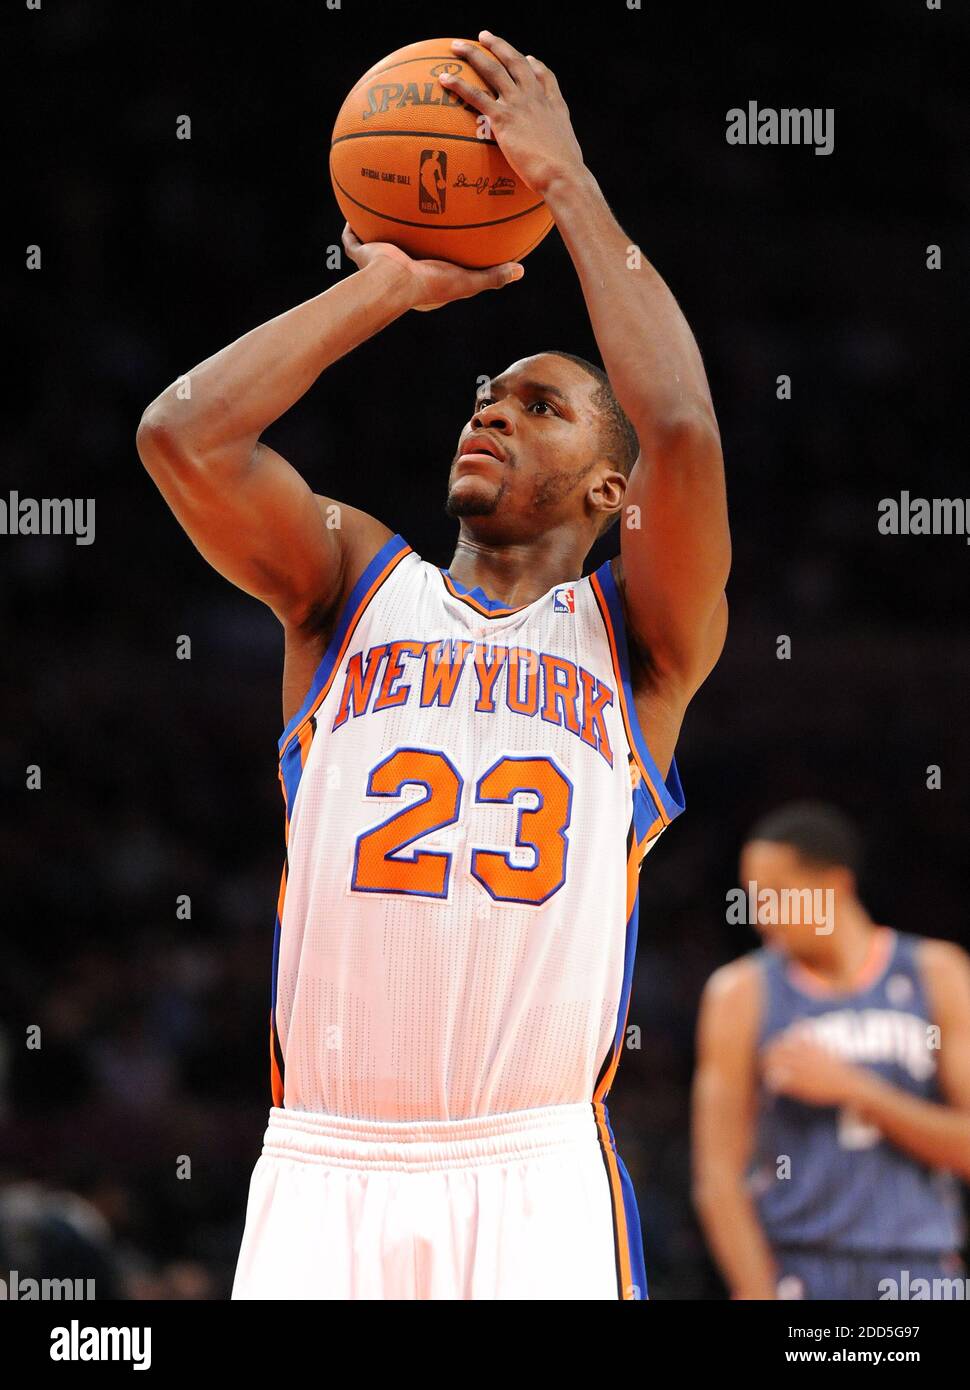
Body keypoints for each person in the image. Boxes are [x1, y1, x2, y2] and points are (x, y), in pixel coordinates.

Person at [136, 30, 729, 1300]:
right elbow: (182, 434)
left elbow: (678, 419)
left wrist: (565, 184)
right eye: (485, 392)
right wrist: (385, 288)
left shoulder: (638, 645)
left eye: (538, 403)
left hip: (531, 1174)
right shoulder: (353, 581)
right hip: (324, 1166)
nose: (490, 408)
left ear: (610, 488)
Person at [692, 801, 970, 1300]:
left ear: (834, 886)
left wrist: (856, 1089)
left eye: (776, 895)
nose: (760, 916)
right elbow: (717, 1177)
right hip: (800, 1266)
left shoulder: (936, 972)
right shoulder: (741, 992)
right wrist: (756, 1292)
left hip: (920, 1272)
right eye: (754, 898)